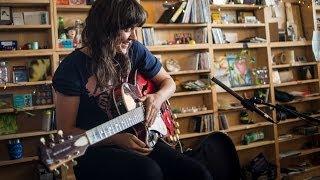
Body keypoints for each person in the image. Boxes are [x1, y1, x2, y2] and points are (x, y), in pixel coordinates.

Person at [52, 0, 213, 179]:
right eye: (128, 29)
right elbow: (66, 133)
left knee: (198, 173)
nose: (134, 37)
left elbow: (169, 82)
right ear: (105, 28)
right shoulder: (71, 69)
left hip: (138, 136)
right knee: (150, 173)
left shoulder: (134, 50)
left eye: (136, 29)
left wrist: (157, 98)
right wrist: (114, 138)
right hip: (95, 149)